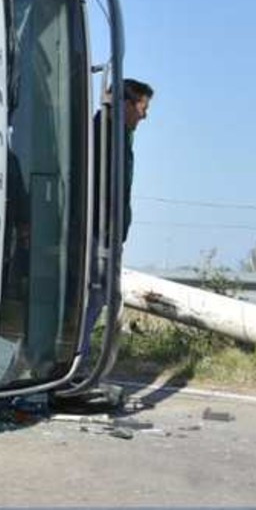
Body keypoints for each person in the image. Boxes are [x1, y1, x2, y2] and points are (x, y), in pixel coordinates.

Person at [83, 78, 154, 333]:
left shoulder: (119, 135)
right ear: (126, 104)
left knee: (99, 297)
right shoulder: (102, 134)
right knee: (94, 295)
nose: (144, 116)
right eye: (143, 108)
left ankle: (79, 357)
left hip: (107, 233)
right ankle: (73, 359)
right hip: (96, 232)